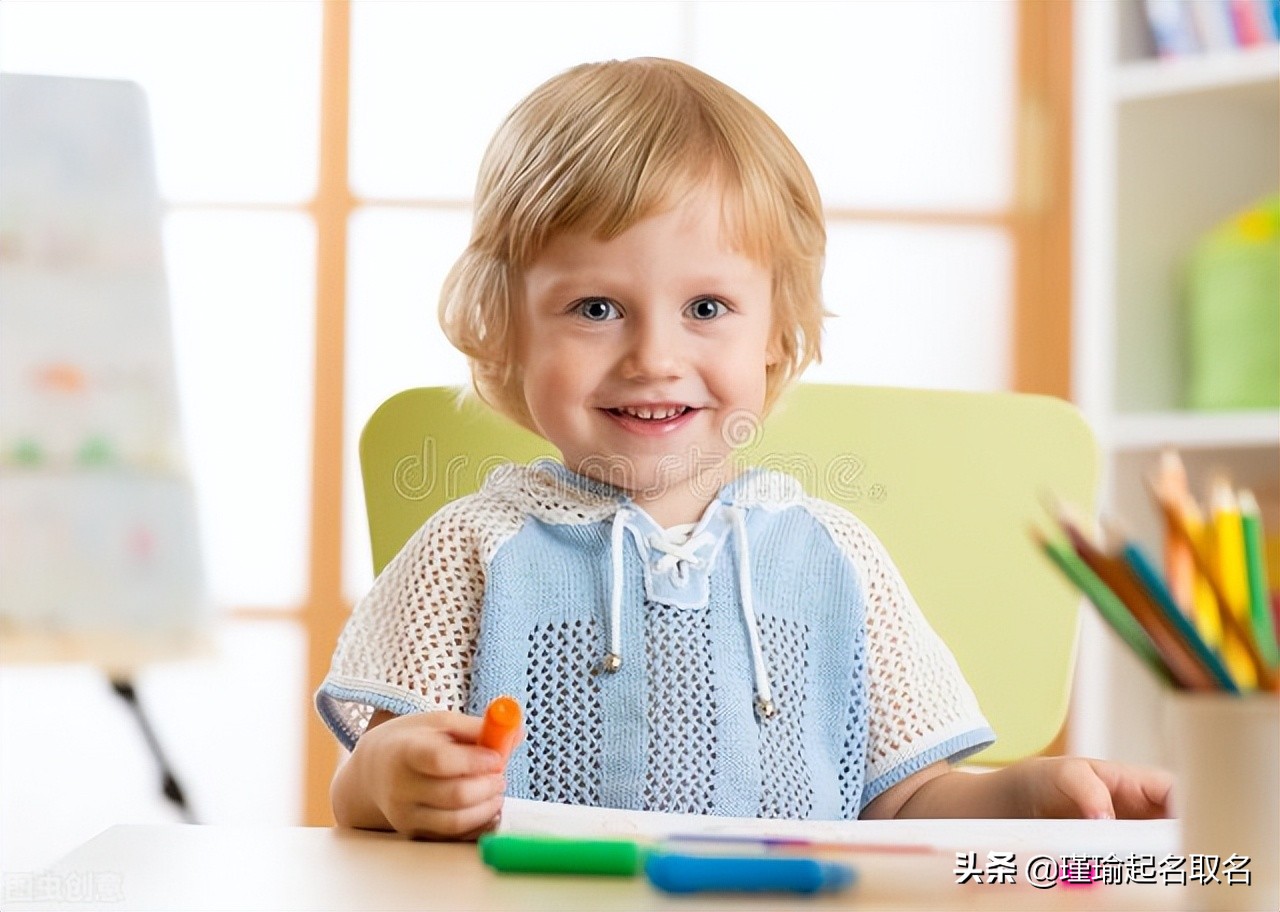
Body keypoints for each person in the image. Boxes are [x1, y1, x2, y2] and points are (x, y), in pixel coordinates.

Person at [316, 57, 1171, 839]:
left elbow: (906, 802)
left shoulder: (836, 559)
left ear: (774, 330)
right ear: (506, 328)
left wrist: (1028, 797)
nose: (654, 357)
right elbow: (361, 783)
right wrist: (392, 779)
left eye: (707, 309)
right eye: (596, 309)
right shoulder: (470, 551)